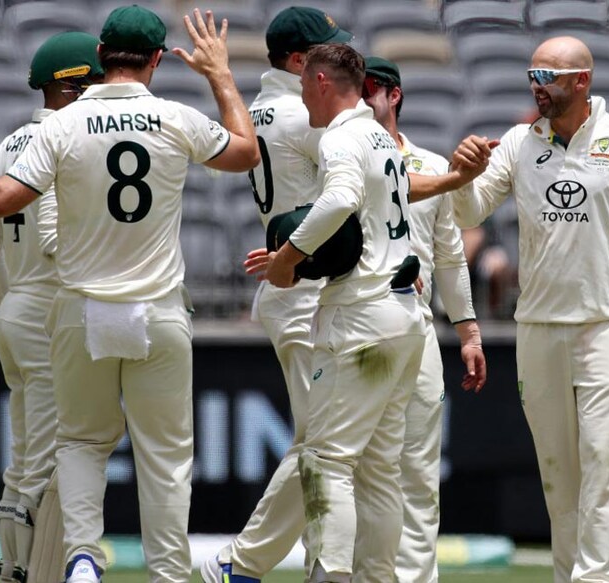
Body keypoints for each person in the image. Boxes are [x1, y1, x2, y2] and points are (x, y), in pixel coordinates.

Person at [0, 6, 260, 582]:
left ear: (102, 53)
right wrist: (219, 74)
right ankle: (168, 574)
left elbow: (3, 199)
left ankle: (83, 557)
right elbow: (245, 152)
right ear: (157, 58)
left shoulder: (58, 126)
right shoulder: (172, 116)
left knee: (81, 443)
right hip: (158, 312)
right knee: (165, 459)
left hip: (80, 311)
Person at [436, 36, 609, 583]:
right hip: (538, 328)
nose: (537, 86)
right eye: (533, 74)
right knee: (558, 473)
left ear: (582, 81)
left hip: (607, 327)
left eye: (548, 75)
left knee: (603, 464)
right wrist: (462, 175)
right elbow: (470, 209)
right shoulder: (518, 142)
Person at [246, 43, 426, 583]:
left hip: (360, 318)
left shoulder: (343, 137)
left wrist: (288, 259)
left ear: (322, 81)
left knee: (325, 461)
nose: (303, 98)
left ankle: (330, 576)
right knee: (379, 472)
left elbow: (339, 200)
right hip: (404, 313)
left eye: (305, 87)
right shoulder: (380, 135)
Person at [202, 7, 352, 581]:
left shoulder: (259, 110)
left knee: (328, 442)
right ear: (298, 61)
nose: (339, 63)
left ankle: (320, 564)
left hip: (296, 291)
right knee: (324, 443)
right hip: (304, 288)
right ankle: (239, 562)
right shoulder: (302, 115)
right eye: (326, 53)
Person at [0, 31, 103, 583]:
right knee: (50, 455)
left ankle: (15, 566)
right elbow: (54, 235)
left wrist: (11, 305)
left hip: (18, 308)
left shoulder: (4, 147)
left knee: (26, 450)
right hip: (51, 309)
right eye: (93, 83)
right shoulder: (65, 140)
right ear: (70, 87)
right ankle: (35, 571)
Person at [362, 55, 487, 582]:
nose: (361, 101)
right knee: (354, 469)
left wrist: (469, 331)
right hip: (357, 327)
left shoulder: (435, 166)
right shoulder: (335, 158)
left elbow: (451, 255)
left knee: (416, 471)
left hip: (419, 331)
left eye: (369, 91)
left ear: (394, 96)